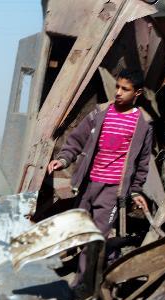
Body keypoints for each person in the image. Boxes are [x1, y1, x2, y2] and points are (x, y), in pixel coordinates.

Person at [49, 69, 153, 237]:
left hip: (113, 190)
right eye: (117, 87)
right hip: (88, 184)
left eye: (125, 89)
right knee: (78, 233)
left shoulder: (143, 124)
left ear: (138, 92)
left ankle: (97, 262)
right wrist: (63, 159)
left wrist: (135, 190)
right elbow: (77, 139)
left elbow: (142, 162)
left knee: (97, 238)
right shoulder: (100, 113)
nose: (118, 92)